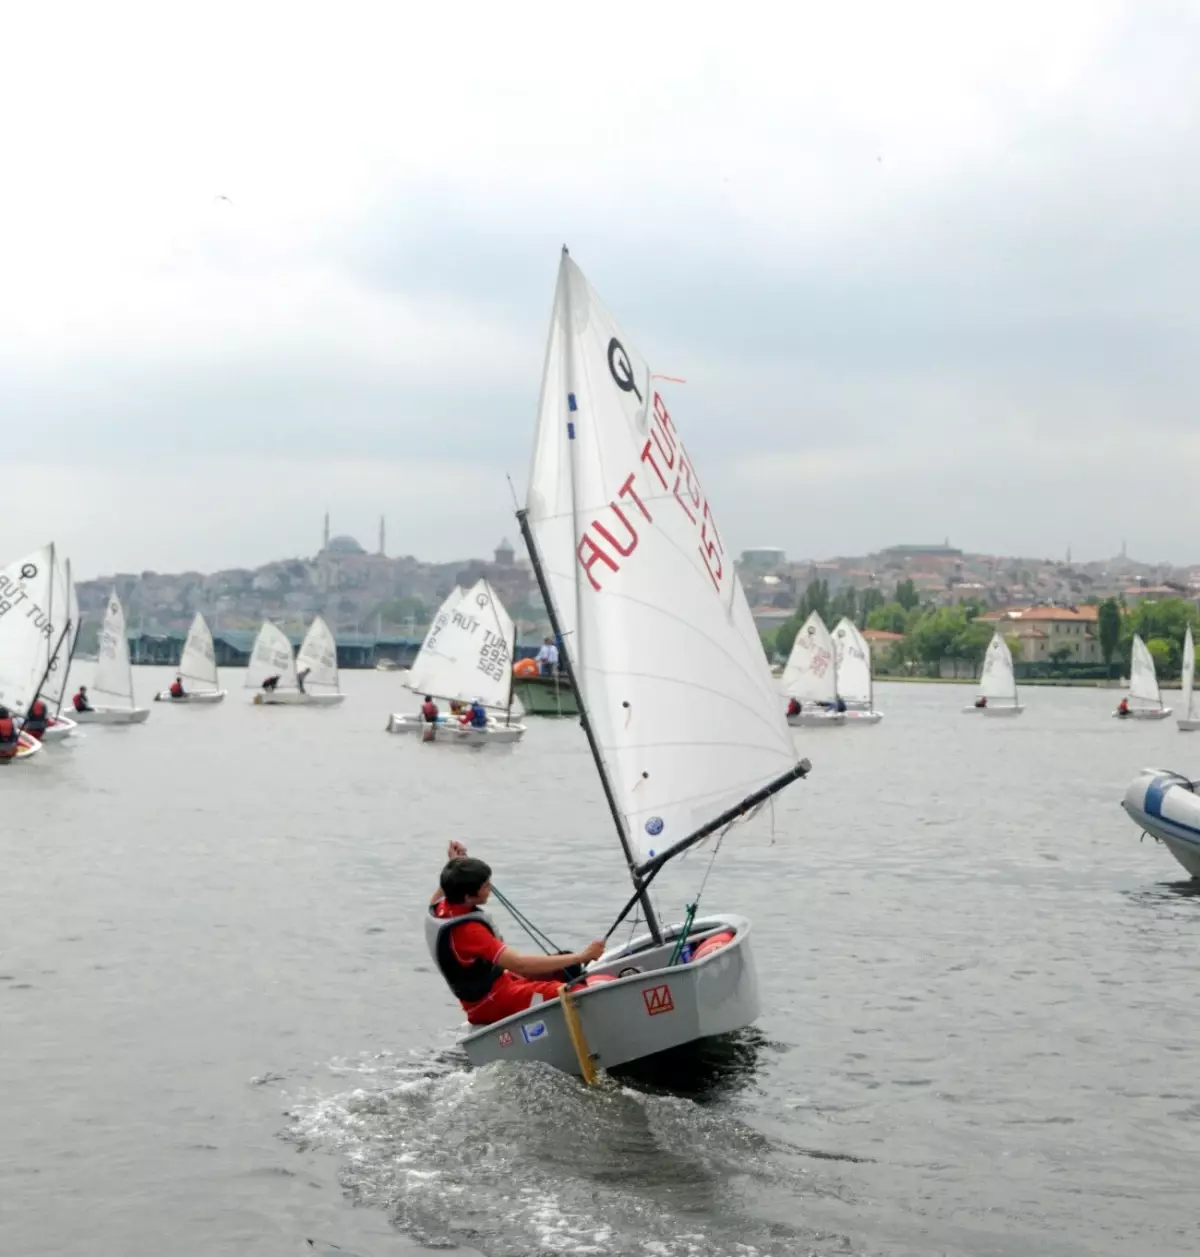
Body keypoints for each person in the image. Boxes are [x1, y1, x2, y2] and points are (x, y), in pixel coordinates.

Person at [427, 842, 604, 1026]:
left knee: (567, 969)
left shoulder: (441, 906)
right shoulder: (469, 931)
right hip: (492, 1002)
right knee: (575, 993)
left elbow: (446, 888)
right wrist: (582, 956)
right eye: (485, 885)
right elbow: (520, 965)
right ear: (467, 896)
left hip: (499, 984)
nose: (490, 888)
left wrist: (456, 865)